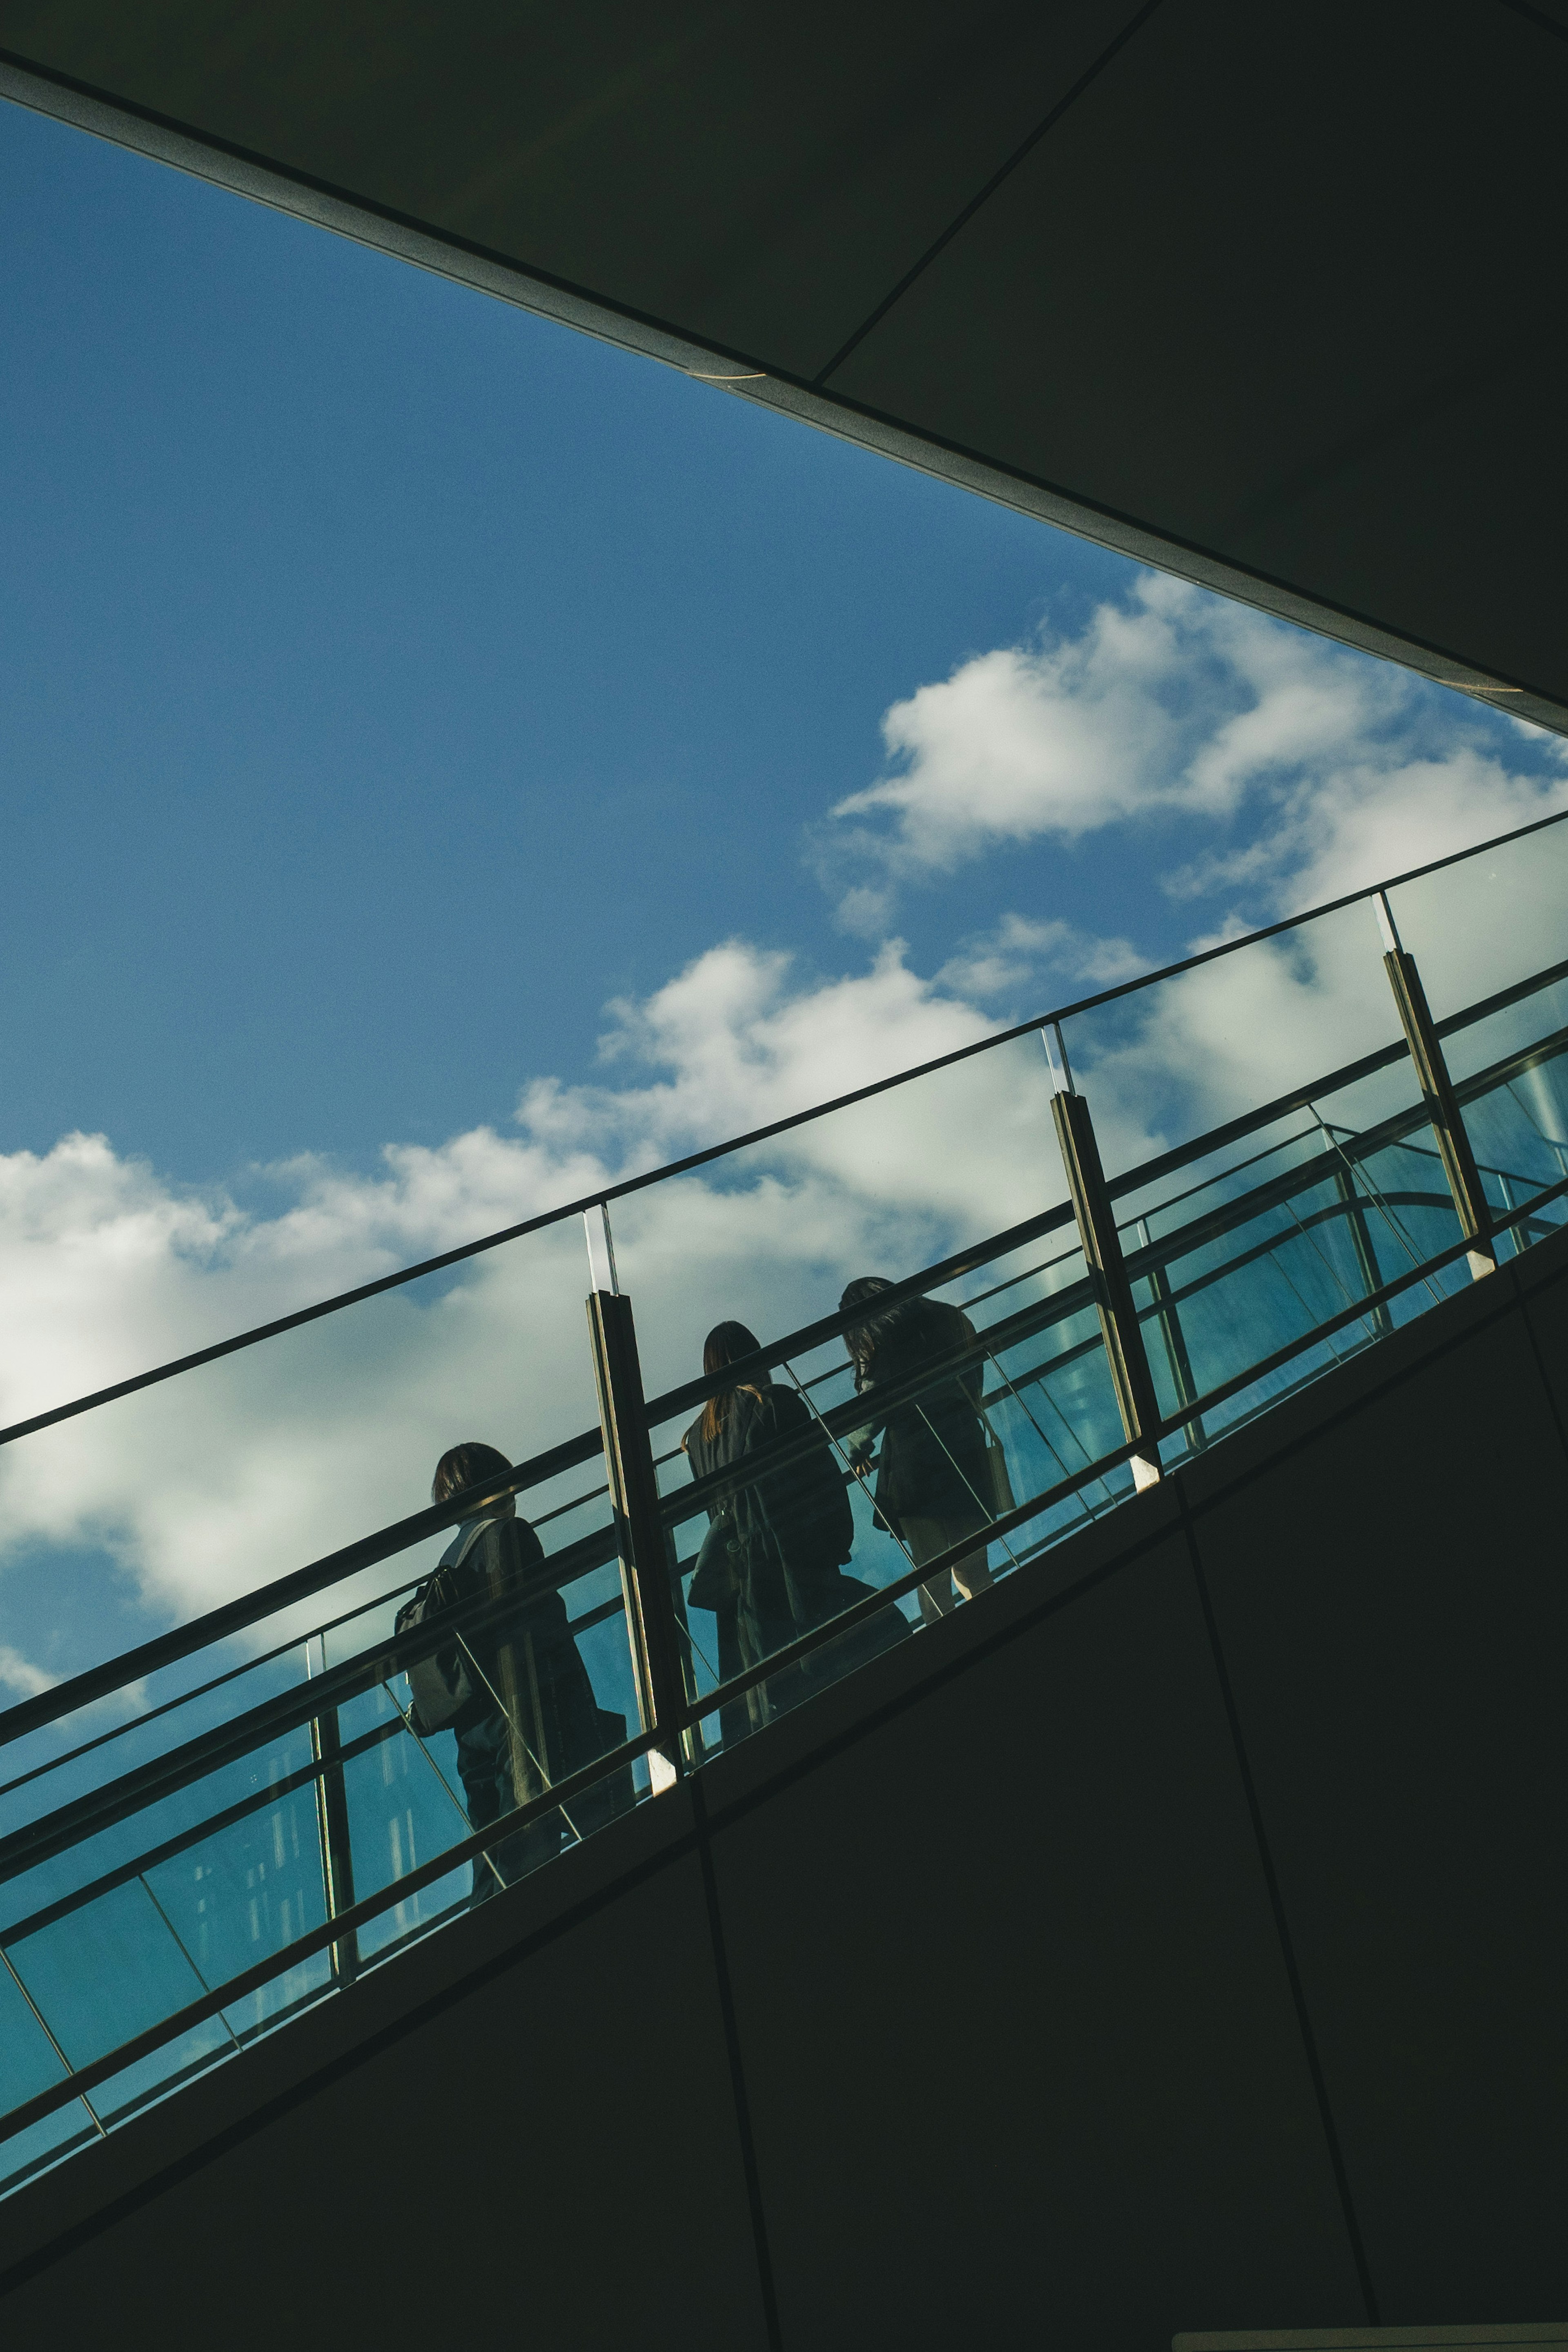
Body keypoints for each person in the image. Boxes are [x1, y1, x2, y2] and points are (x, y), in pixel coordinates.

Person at [682, 1321, 904, 1746]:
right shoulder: (775, 1401)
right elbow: (817, 1476)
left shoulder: (697, 1437)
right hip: (792, 1564)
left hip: (742, 1594)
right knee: (871, 1643)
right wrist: (836, 1541)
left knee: (777, 1702)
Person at [412, 1441, 615, 1903]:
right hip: (519, 1715)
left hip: (471, 1727)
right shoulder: (508, 1535)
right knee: (530, 1838)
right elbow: (543, 1627)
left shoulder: (450, 1559)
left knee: (491, 1848)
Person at [839, 1277, 996, 1625]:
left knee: (933, 1580)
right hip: (964, 1446)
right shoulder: (949, 1315)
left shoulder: (880, 1341)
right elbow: (974, 1372)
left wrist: (857, 1449)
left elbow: (872, 1405)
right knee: (974, 1570)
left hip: (915, 1468)